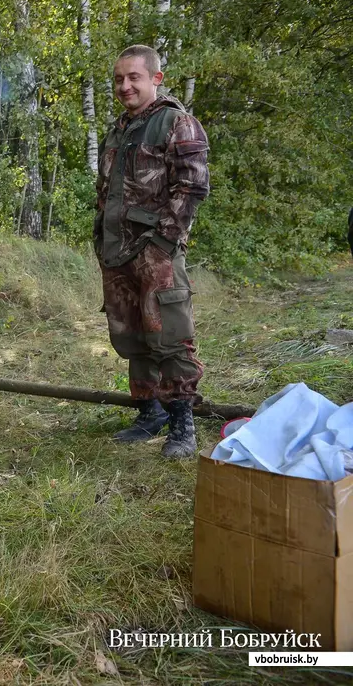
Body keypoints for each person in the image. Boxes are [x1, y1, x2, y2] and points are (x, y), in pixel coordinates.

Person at [95, 45, 210, 458]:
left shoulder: (177, 122)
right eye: (119, 79)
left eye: (134, 78)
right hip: (116, 251)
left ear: (155, 79)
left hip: (156, 251)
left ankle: (182, 423)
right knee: (130, 335)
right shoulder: (117, 130)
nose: (125, 86)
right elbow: (106, 194)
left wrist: (163, 243)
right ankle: (150, 412)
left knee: (170, 337)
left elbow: (193, 186)